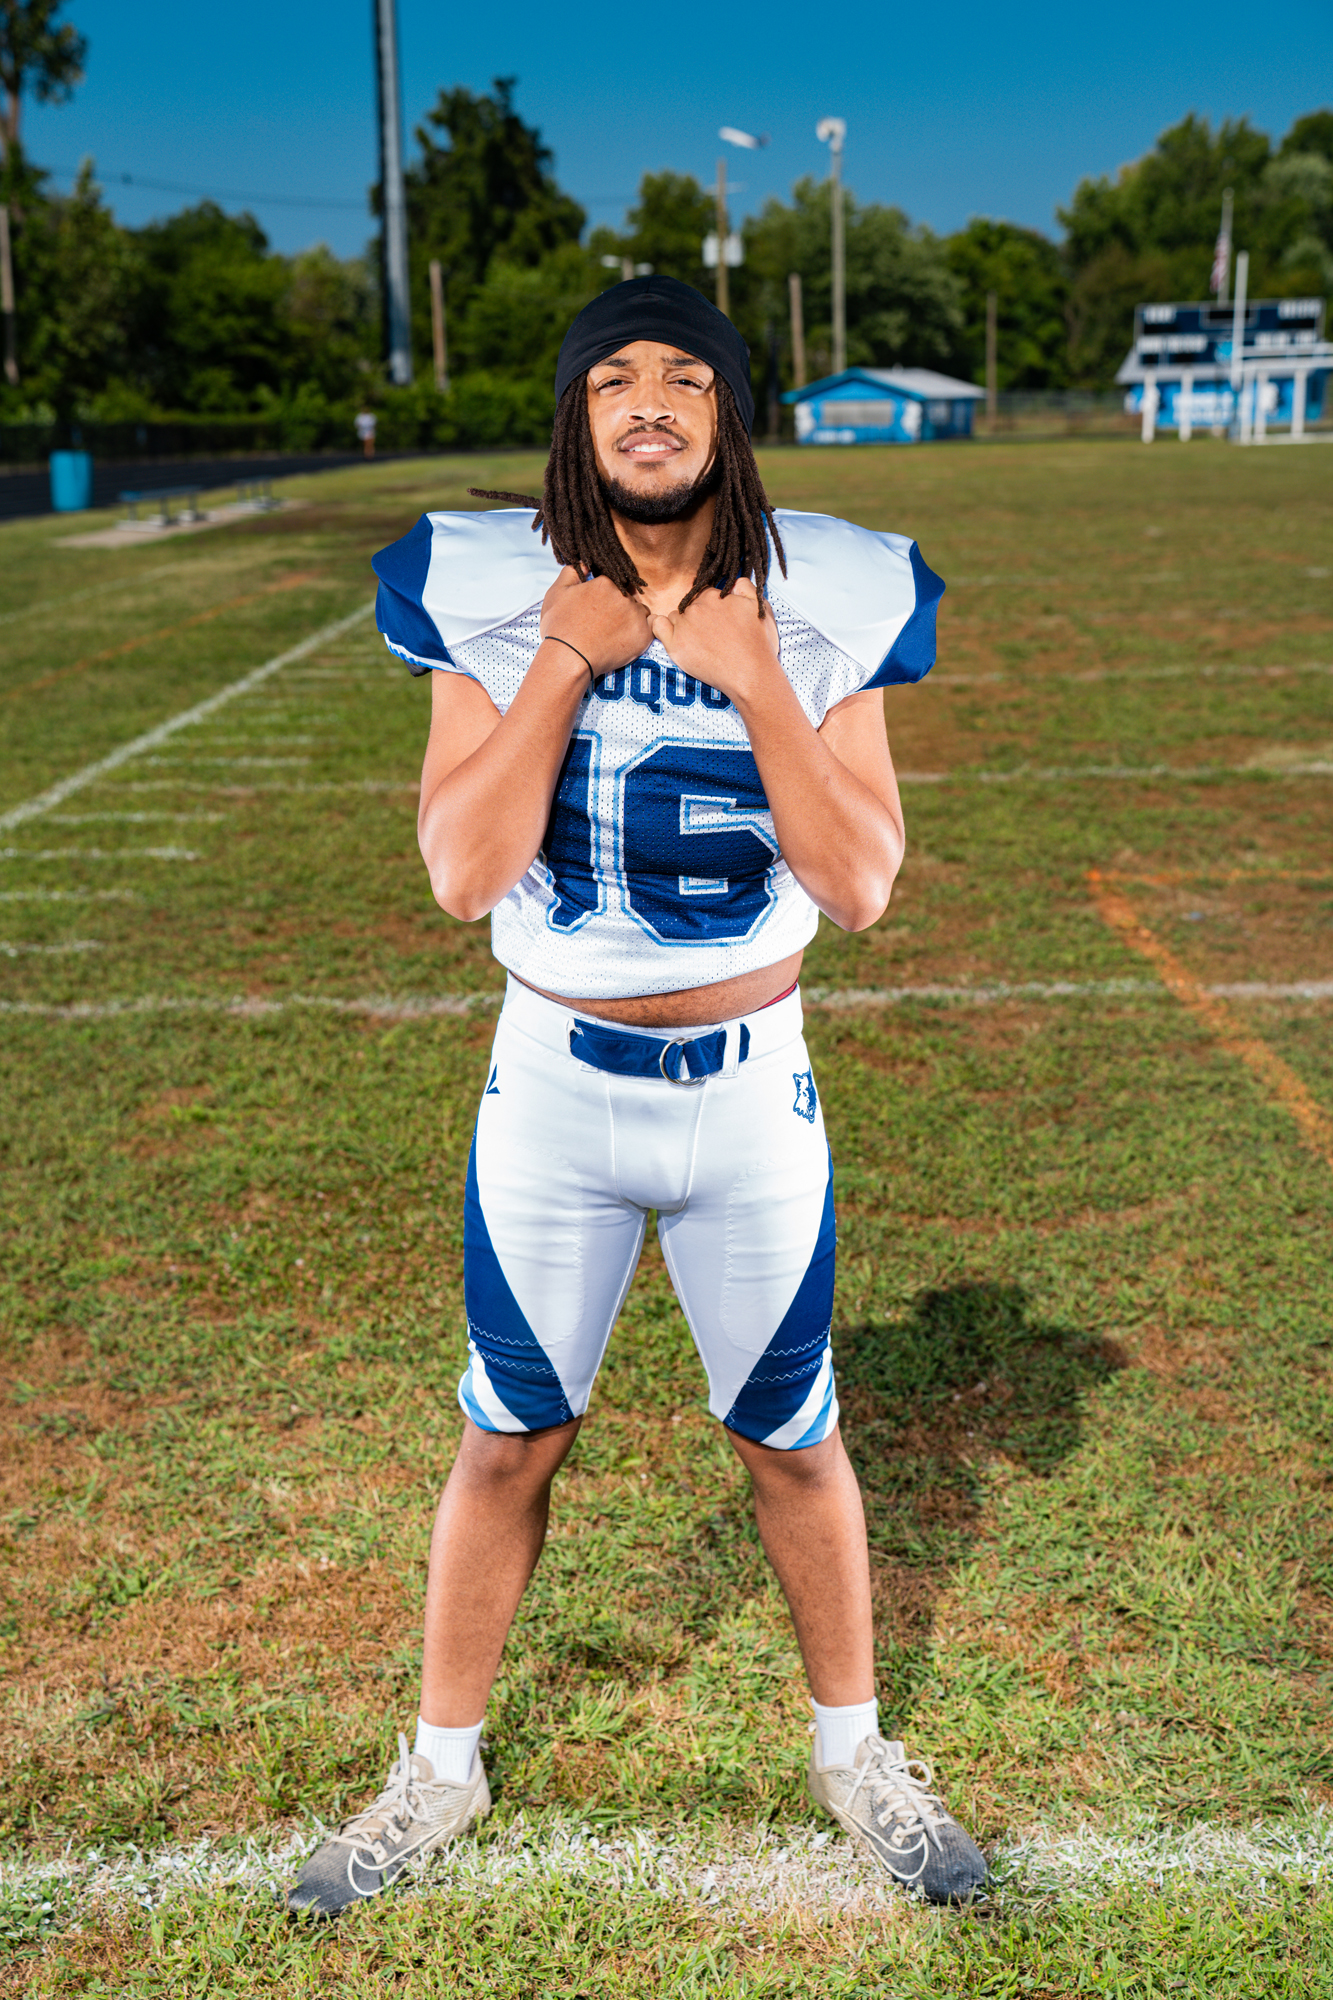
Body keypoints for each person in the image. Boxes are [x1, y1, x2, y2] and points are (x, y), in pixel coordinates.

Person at [288, 276, 987, 1919]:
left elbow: (862, 885)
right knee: (507, 1438)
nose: (651, 401)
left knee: (793, 1440)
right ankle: (438, 1770)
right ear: (576, 415)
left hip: (750, 1095)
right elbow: (462, 873)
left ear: (730, 414)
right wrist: (562, 660)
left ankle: (853, 1756)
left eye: (687, 375)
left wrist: (755, 681)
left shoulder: (827, 592)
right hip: (554, 1091)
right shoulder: (489, 585)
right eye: (615, 379)